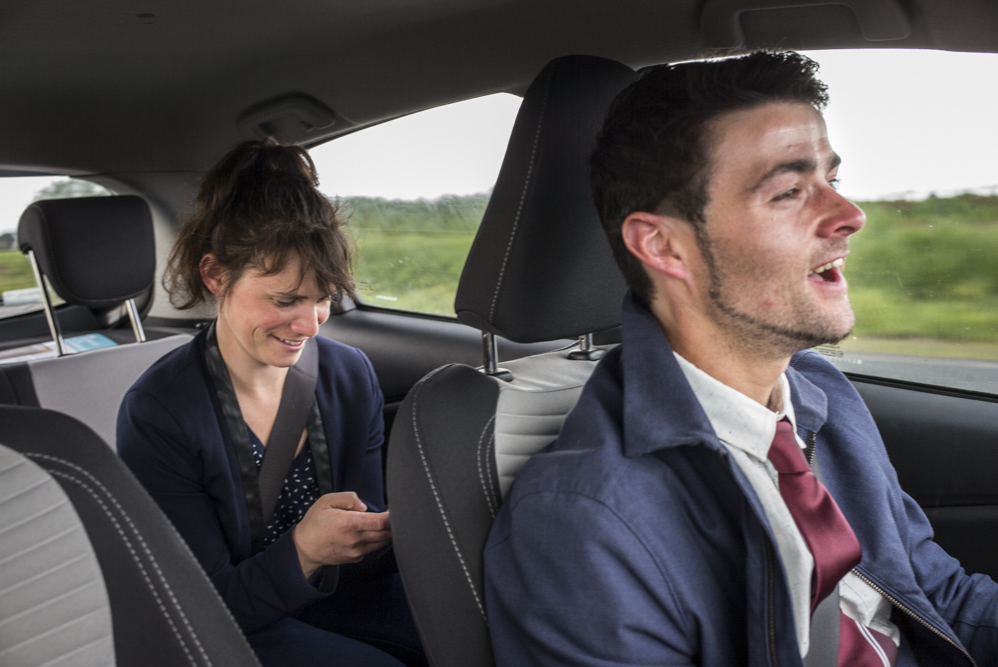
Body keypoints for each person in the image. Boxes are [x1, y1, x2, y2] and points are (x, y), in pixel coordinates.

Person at [483, 52, 998, 666]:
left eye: (833, 179)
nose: (849, 216)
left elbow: (937, 597)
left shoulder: (819, 396)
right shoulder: (583, 522)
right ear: (663, 244)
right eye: (787, 191)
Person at [118, 139, 424, 667]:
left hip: (336, 594)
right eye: (284, 300)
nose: (309, 325)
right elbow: (199, 607)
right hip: (234, 615)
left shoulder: (350, 376)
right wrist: (304, 551)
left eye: (323, 298)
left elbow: (367, 550)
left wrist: (412, 526)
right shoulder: (159, 412)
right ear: (215, 276)